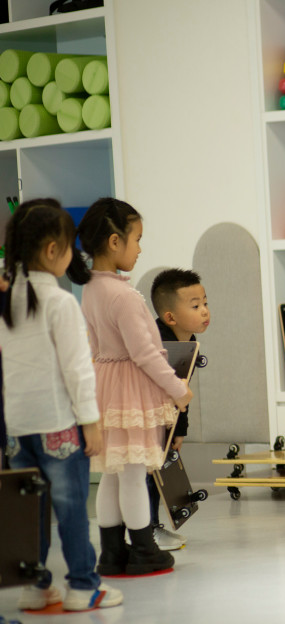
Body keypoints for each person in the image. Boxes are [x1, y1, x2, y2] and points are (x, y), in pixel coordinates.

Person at [0, 199, 122, 610]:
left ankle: (36, 588)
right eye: (70, 247)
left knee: (30, 509)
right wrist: (91, 421)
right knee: (71, 510)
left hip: (17, 427)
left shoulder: (7, 299)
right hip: (58, 425)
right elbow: (77, 369)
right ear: (53, 250)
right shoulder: (60, 303)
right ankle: (84, 586)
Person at [72, 197, 193, 576]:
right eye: (136, 239)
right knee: (134, 474)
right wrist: (177, 389)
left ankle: (111, 552)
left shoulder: (91, 289)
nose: (140, 249)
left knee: (112, 472)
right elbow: (145, 354)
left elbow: (96, 347)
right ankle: (144, 549)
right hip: (129, 389)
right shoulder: (123, 296)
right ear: (114, 242)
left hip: (105, 387)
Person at [147, 268, 210, 550]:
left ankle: (152, 527)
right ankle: (145, 531)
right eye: (195, 306)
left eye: (205, 303)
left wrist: (179, 430)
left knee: (157, 473)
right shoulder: (157, 342)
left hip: (164, 417)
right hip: (144, 416)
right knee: (147, 475)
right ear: (170, 317)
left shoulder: (189, 341)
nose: (204, 311)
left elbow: (181, 391)